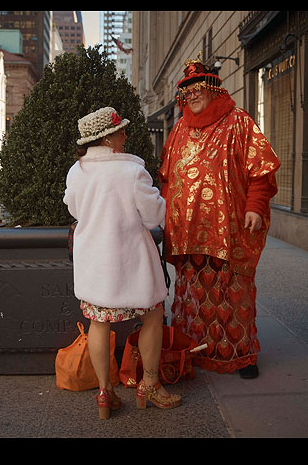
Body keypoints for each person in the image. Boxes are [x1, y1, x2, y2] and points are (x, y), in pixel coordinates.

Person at [158, 52, 281, 379]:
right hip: (187, 234)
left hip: (229, 232)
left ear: (212, 87)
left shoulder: (238, 121)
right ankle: (195, 350)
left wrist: (255, 205)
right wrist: (164, 215)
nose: (192, 93)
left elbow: (261, 171)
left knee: (232, 294)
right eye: (187, 90)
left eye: (198, 86)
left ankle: (241, 355)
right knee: (194, 296)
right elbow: (168, 179)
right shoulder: (179, 129)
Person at [63, 106, 181, 420]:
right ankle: (150, 385)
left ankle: (105, 393)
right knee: (153, 316)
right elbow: (154, 215)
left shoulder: (77, 171)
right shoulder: (132, 172)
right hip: (133, 262)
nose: (126, 134)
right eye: (122, 130)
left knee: (99, 322)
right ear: (109, 137)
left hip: (95, 263)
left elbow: (74, 210)